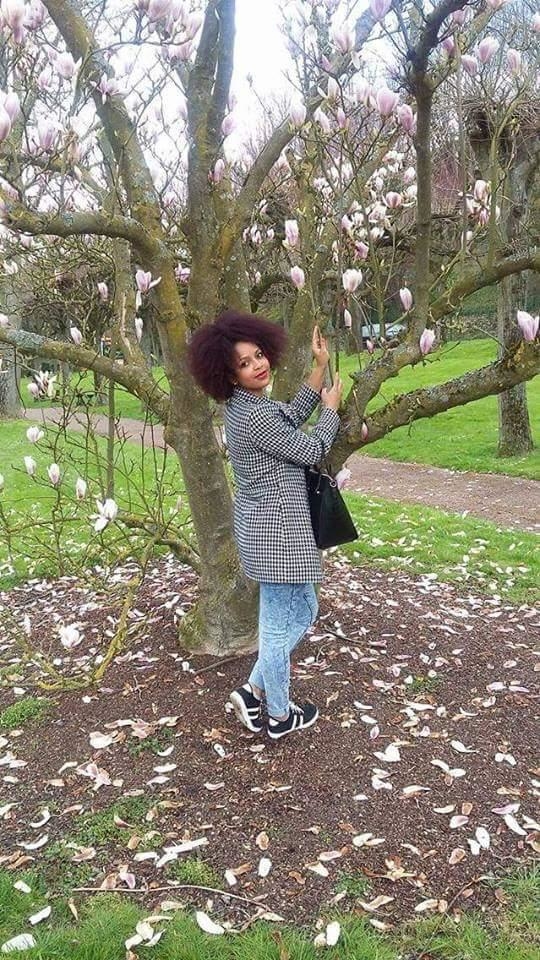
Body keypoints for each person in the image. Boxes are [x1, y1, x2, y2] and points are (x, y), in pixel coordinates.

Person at [187, 310, 343, 740]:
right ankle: (278, 715)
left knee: (305, 610)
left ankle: (253, 689)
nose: (258, 365)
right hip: (279, 534)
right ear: (229, 375)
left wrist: (318, 367)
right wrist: (330, 411)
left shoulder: (247, 406)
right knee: (275, 630)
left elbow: (287, 416)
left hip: (268, 529)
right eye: (244, 363)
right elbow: (310, 449)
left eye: (258, 355)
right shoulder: (253, 416)